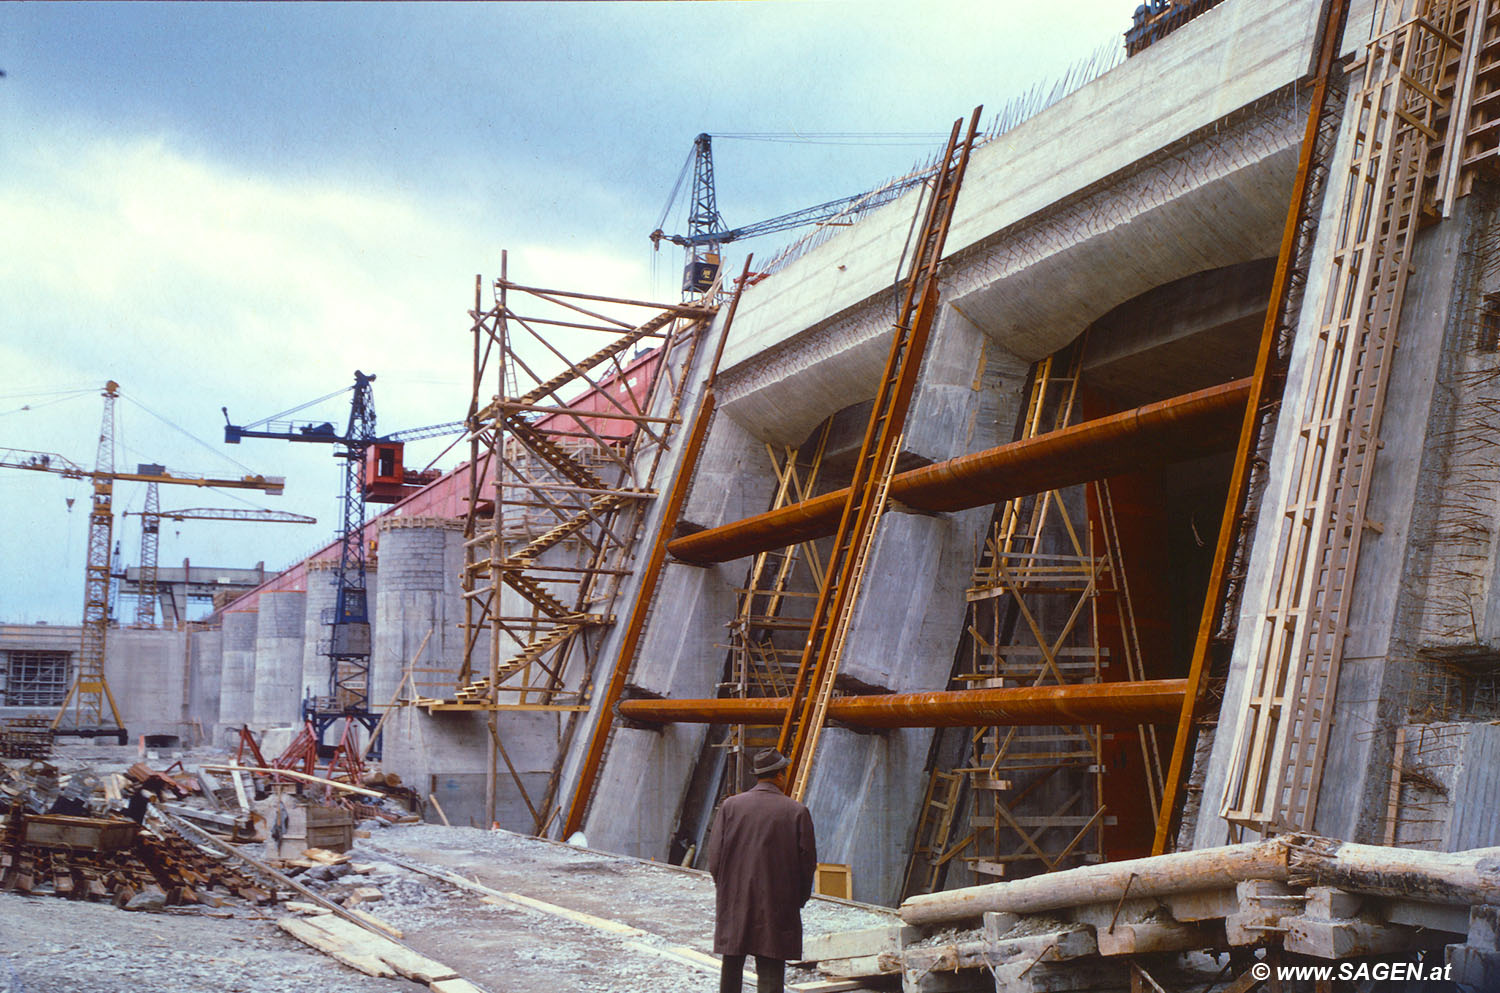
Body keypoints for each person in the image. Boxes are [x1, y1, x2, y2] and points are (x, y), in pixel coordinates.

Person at [707, 748, 817, 993]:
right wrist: (797, 900)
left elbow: (714, 859)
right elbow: (807, 864)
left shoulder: (730, 806)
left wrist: (727, 891)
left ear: (758, 776)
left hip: (736, 899)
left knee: (732, 963)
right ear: (780, 775)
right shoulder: (796, 812)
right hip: (778, 902)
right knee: (771, 964)